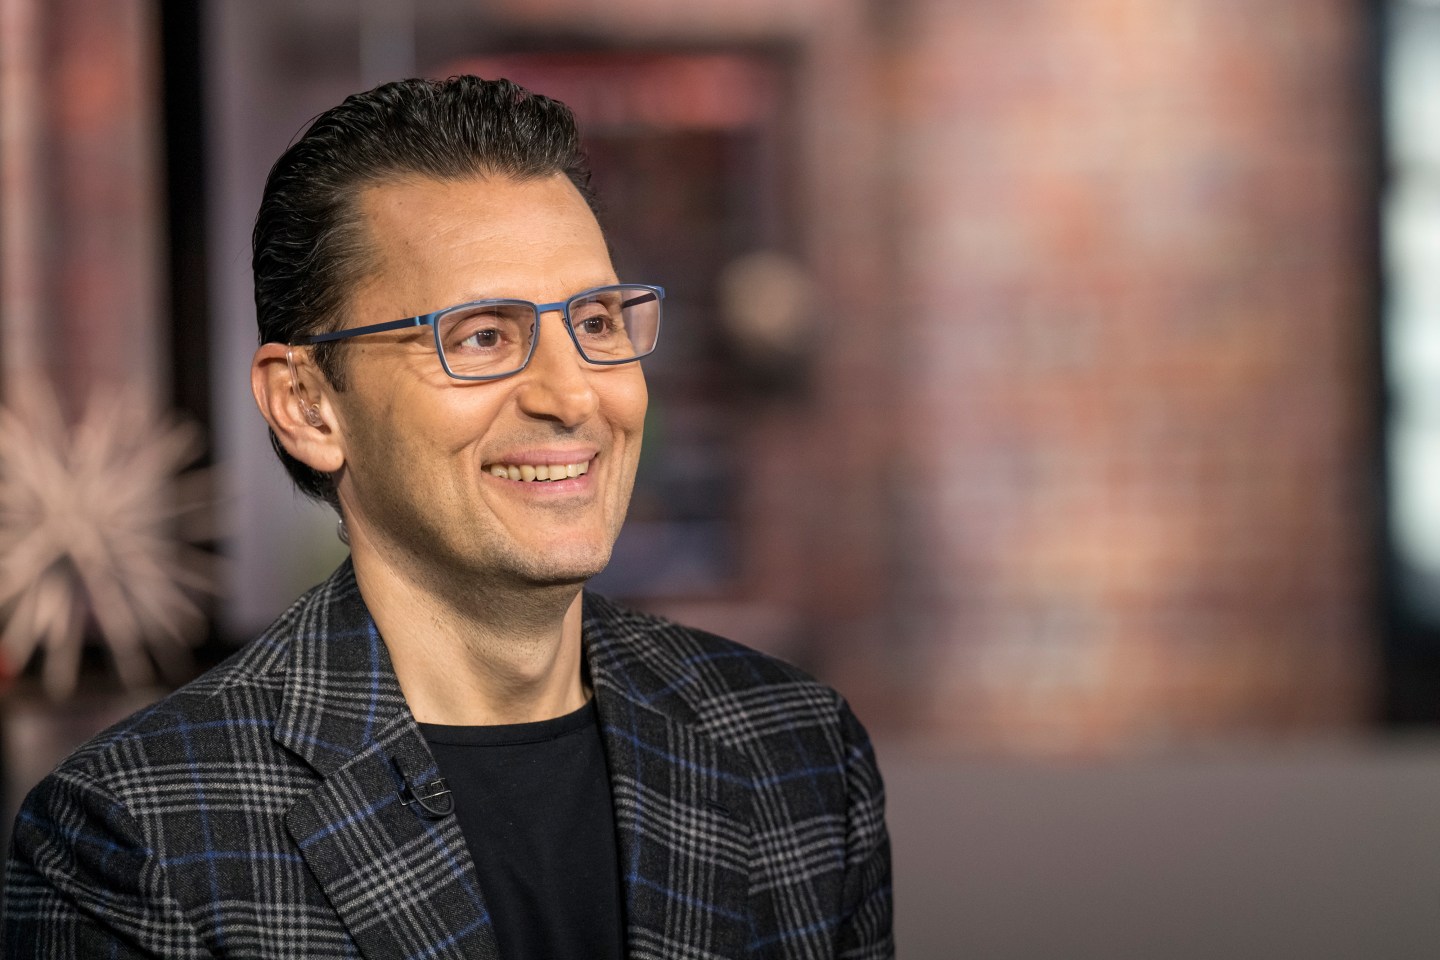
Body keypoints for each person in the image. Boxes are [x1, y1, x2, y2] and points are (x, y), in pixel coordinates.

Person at [3, 76, 892, 959]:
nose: (573, 393)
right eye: (481, 337)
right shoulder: (135, 833)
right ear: (309, 406)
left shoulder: (800, 750)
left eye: (596, 320)